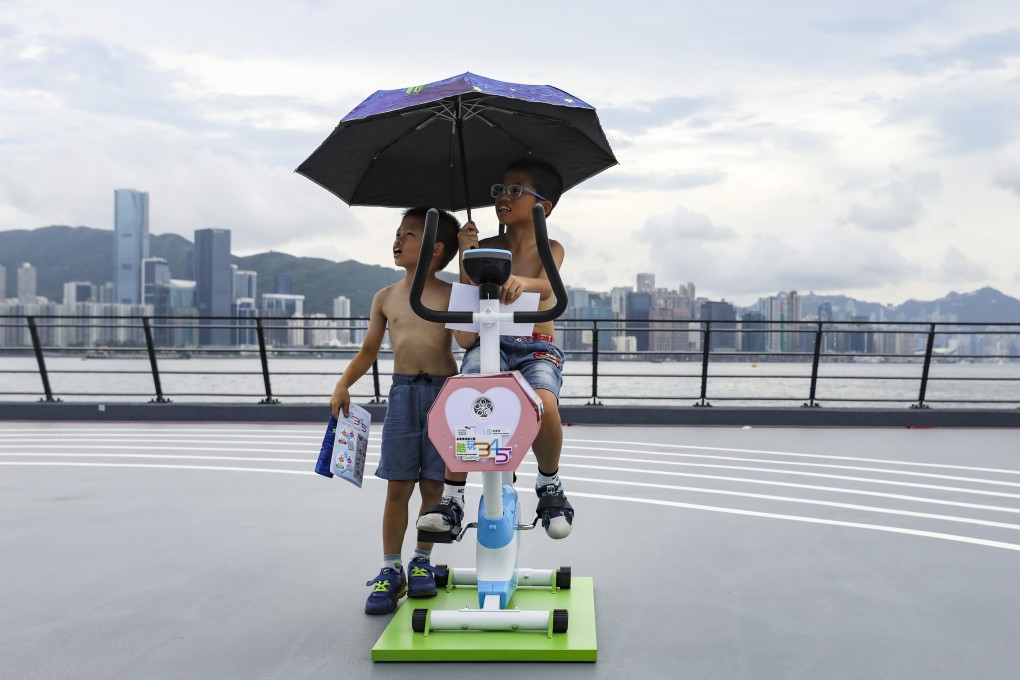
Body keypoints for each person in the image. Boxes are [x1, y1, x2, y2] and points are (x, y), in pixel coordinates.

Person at [417, 157, 573, 541]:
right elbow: (467, 319)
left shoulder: (549, 247)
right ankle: (453, 499)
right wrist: (467, 253)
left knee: (544, 403)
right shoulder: (482, 249)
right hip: (488, 340)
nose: (503, 196)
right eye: (500, 190)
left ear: (544, 206)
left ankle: (549, 484)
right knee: (465, 400)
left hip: (534, 345)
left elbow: (547, 286)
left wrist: (519, 280)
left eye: (515, 190)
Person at [330, 206, 461, 615]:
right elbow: (369, 350)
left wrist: (472, 261)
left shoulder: (453, 293)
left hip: (445, 393)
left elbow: (470, 337)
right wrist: (343, 383)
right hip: (403, 393)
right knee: (398, 486)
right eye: (398, 233)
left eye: (408, 234)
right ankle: (391, 568)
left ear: (436, 249)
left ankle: (422, 561)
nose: (397, 240)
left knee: (434, 486)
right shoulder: (385, 297)